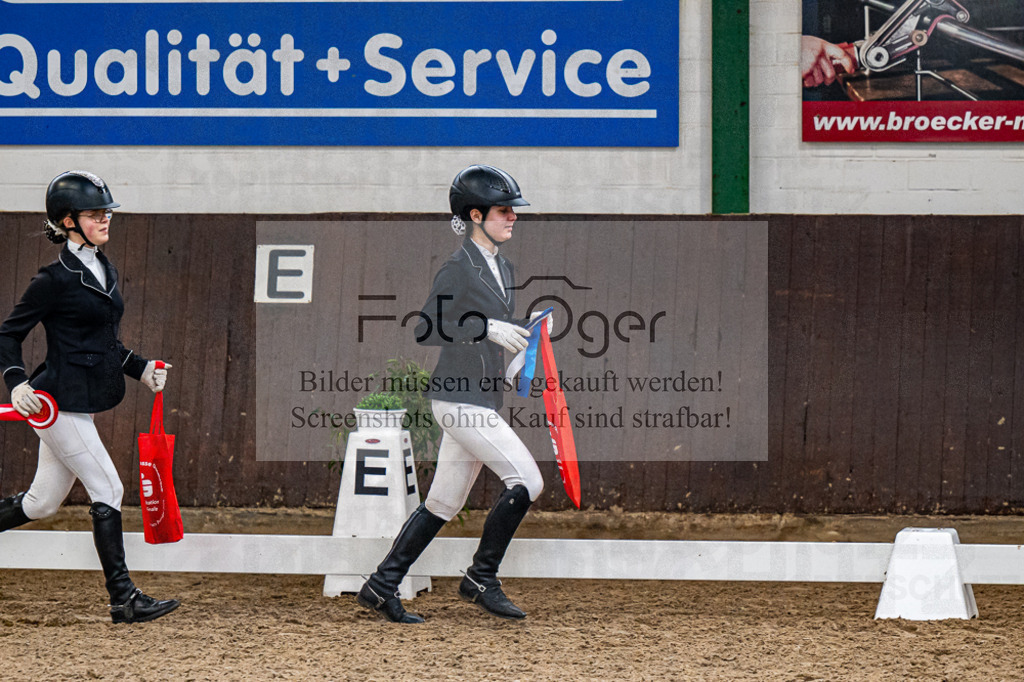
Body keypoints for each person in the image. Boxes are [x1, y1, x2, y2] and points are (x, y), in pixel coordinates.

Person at [357, 165, 546, 623]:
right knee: (528, 482)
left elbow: (496, 332)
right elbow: (426, 328)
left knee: (443, 502)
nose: (513, 218)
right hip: (458, 400)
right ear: (475, 215)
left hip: (480, 397)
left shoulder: (503, 266)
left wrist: (530, 329)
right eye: (504, 211)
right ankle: (482, 578)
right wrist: (486, 327)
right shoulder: (456, 268)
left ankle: (381, 585)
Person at [0, 170, 179, 624]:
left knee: (41, 504)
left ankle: (124, 598)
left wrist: (141, 369)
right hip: (55, 402)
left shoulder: (103, 266)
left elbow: (104, 342)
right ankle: (124, 598)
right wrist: (17, 381)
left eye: (106, 212)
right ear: (67, 221)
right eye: (96, 213)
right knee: (109, 487)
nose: (105, 219)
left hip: (82, 400)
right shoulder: (53, 279)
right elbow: (7, 334)